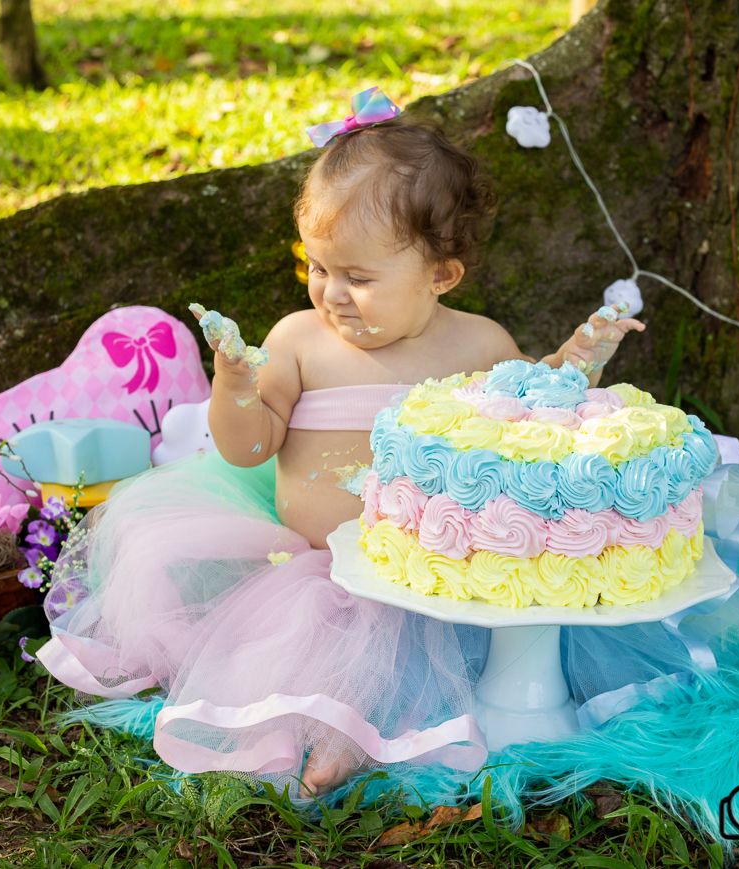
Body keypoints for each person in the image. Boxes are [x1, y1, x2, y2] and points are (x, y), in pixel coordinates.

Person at [37, 104, 644, 797]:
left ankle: (362, 736)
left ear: (441, 276)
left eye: (357, 276)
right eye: (318, 266)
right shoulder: (299, 341)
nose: (332, 293)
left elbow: (530, 417)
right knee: (317, 645)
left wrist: (577, 360)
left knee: (428, 648)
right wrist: (236, 385)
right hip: (315, 569)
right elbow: (248, 447)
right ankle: (327, 732)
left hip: (427, 570)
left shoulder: (479, 345)